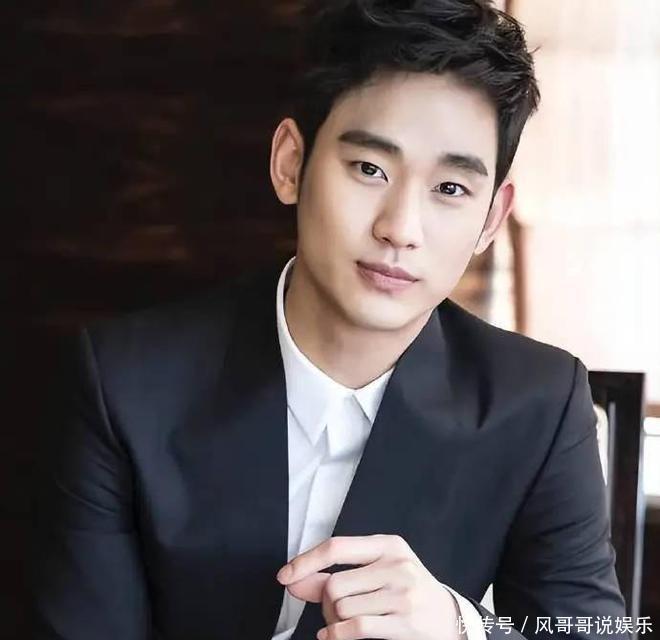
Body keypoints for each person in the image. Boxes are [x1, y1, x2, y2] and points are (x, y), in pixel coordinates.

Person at [29, 1, 629, 639]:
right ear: (291, 163)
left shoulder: (539, 401)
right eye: (370, 169)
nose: (400, 228)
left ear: (491, 219)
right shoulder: (125, 384)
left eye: (450, 189)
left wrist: (463, 628)